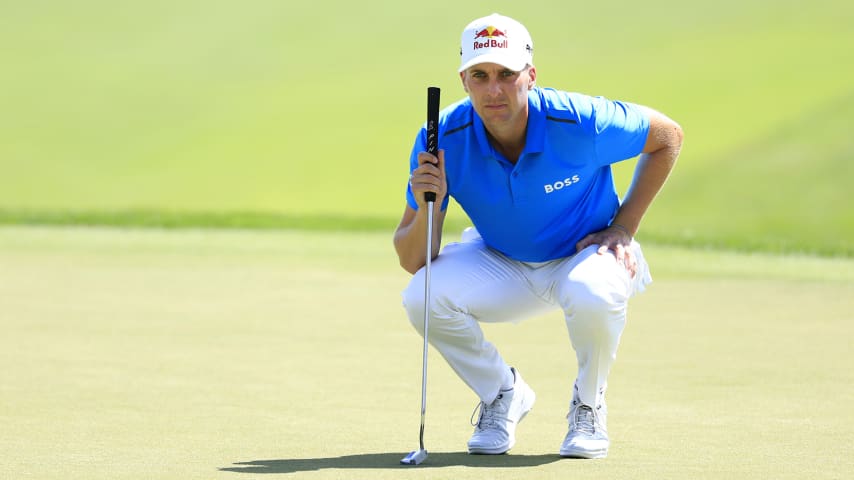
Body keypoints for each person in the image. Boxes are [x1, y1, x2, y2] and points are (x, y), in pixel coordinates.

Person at [393, 13, 683, 459]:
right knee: (421, 295)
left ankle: (589, 404)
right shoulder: (441, 138)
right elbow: (412, 257)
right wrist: (430, 198)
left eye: (507, 75)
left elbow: (667, 136)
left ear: (530, 76)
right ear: (464, 80)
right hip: (504, 261)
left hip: (585, 256)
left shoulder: (580, 121)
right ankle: (502, 394)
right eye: (480, 75)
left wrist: (624, 226)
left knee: (590, 290)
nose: (494, 89)